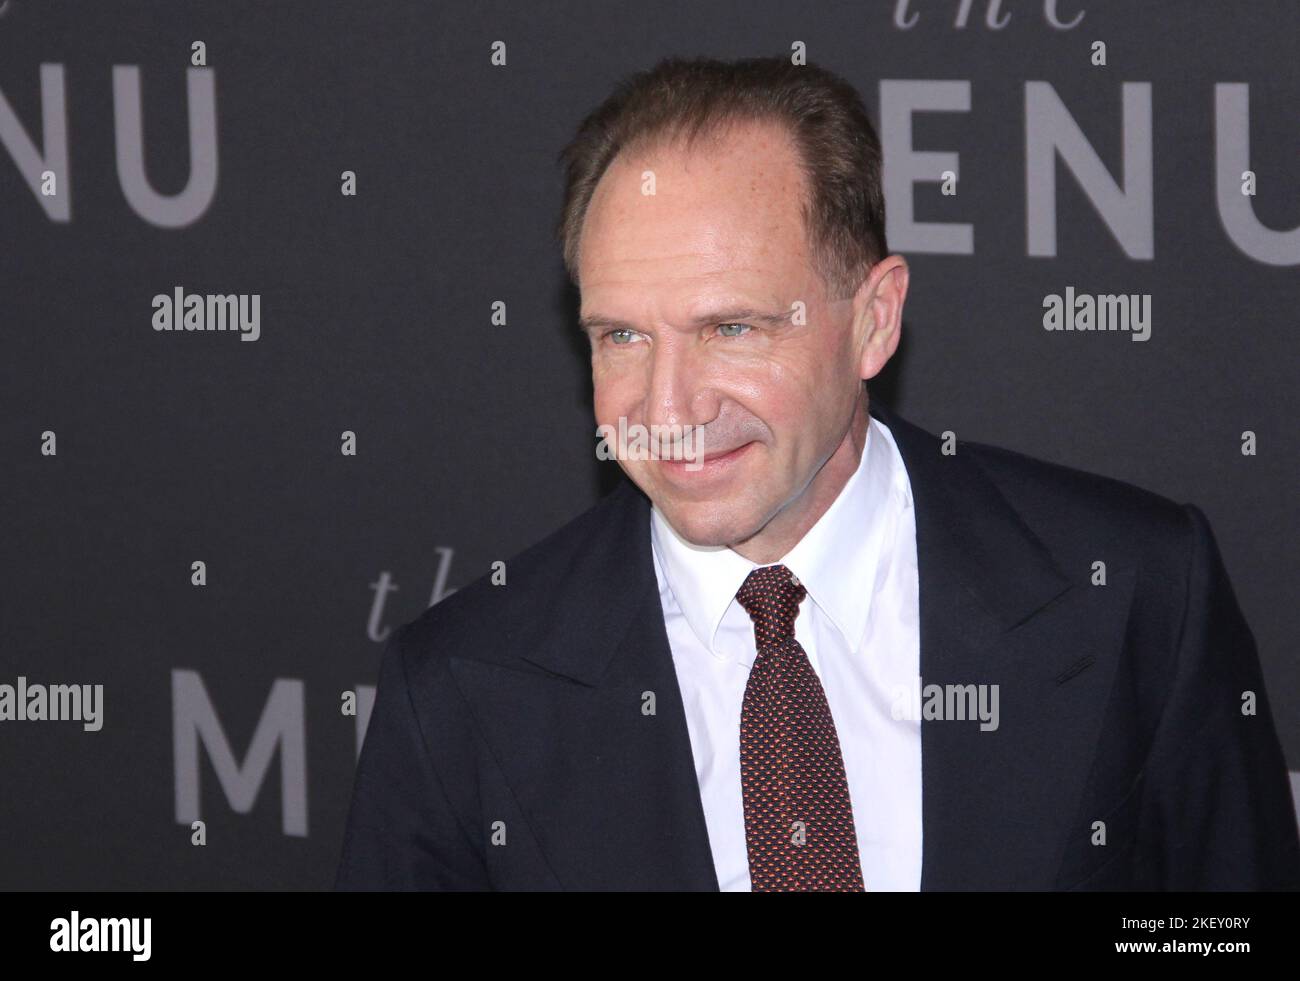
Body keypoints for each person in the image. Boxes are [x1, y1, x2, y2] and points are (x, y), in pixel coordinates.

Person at [335, 55, 1300, 891]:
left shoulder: (1134, 592)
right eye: (621, 334)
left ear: (873, 319)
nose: (668, 413)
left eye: (731, 328)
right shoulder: (460, 689)